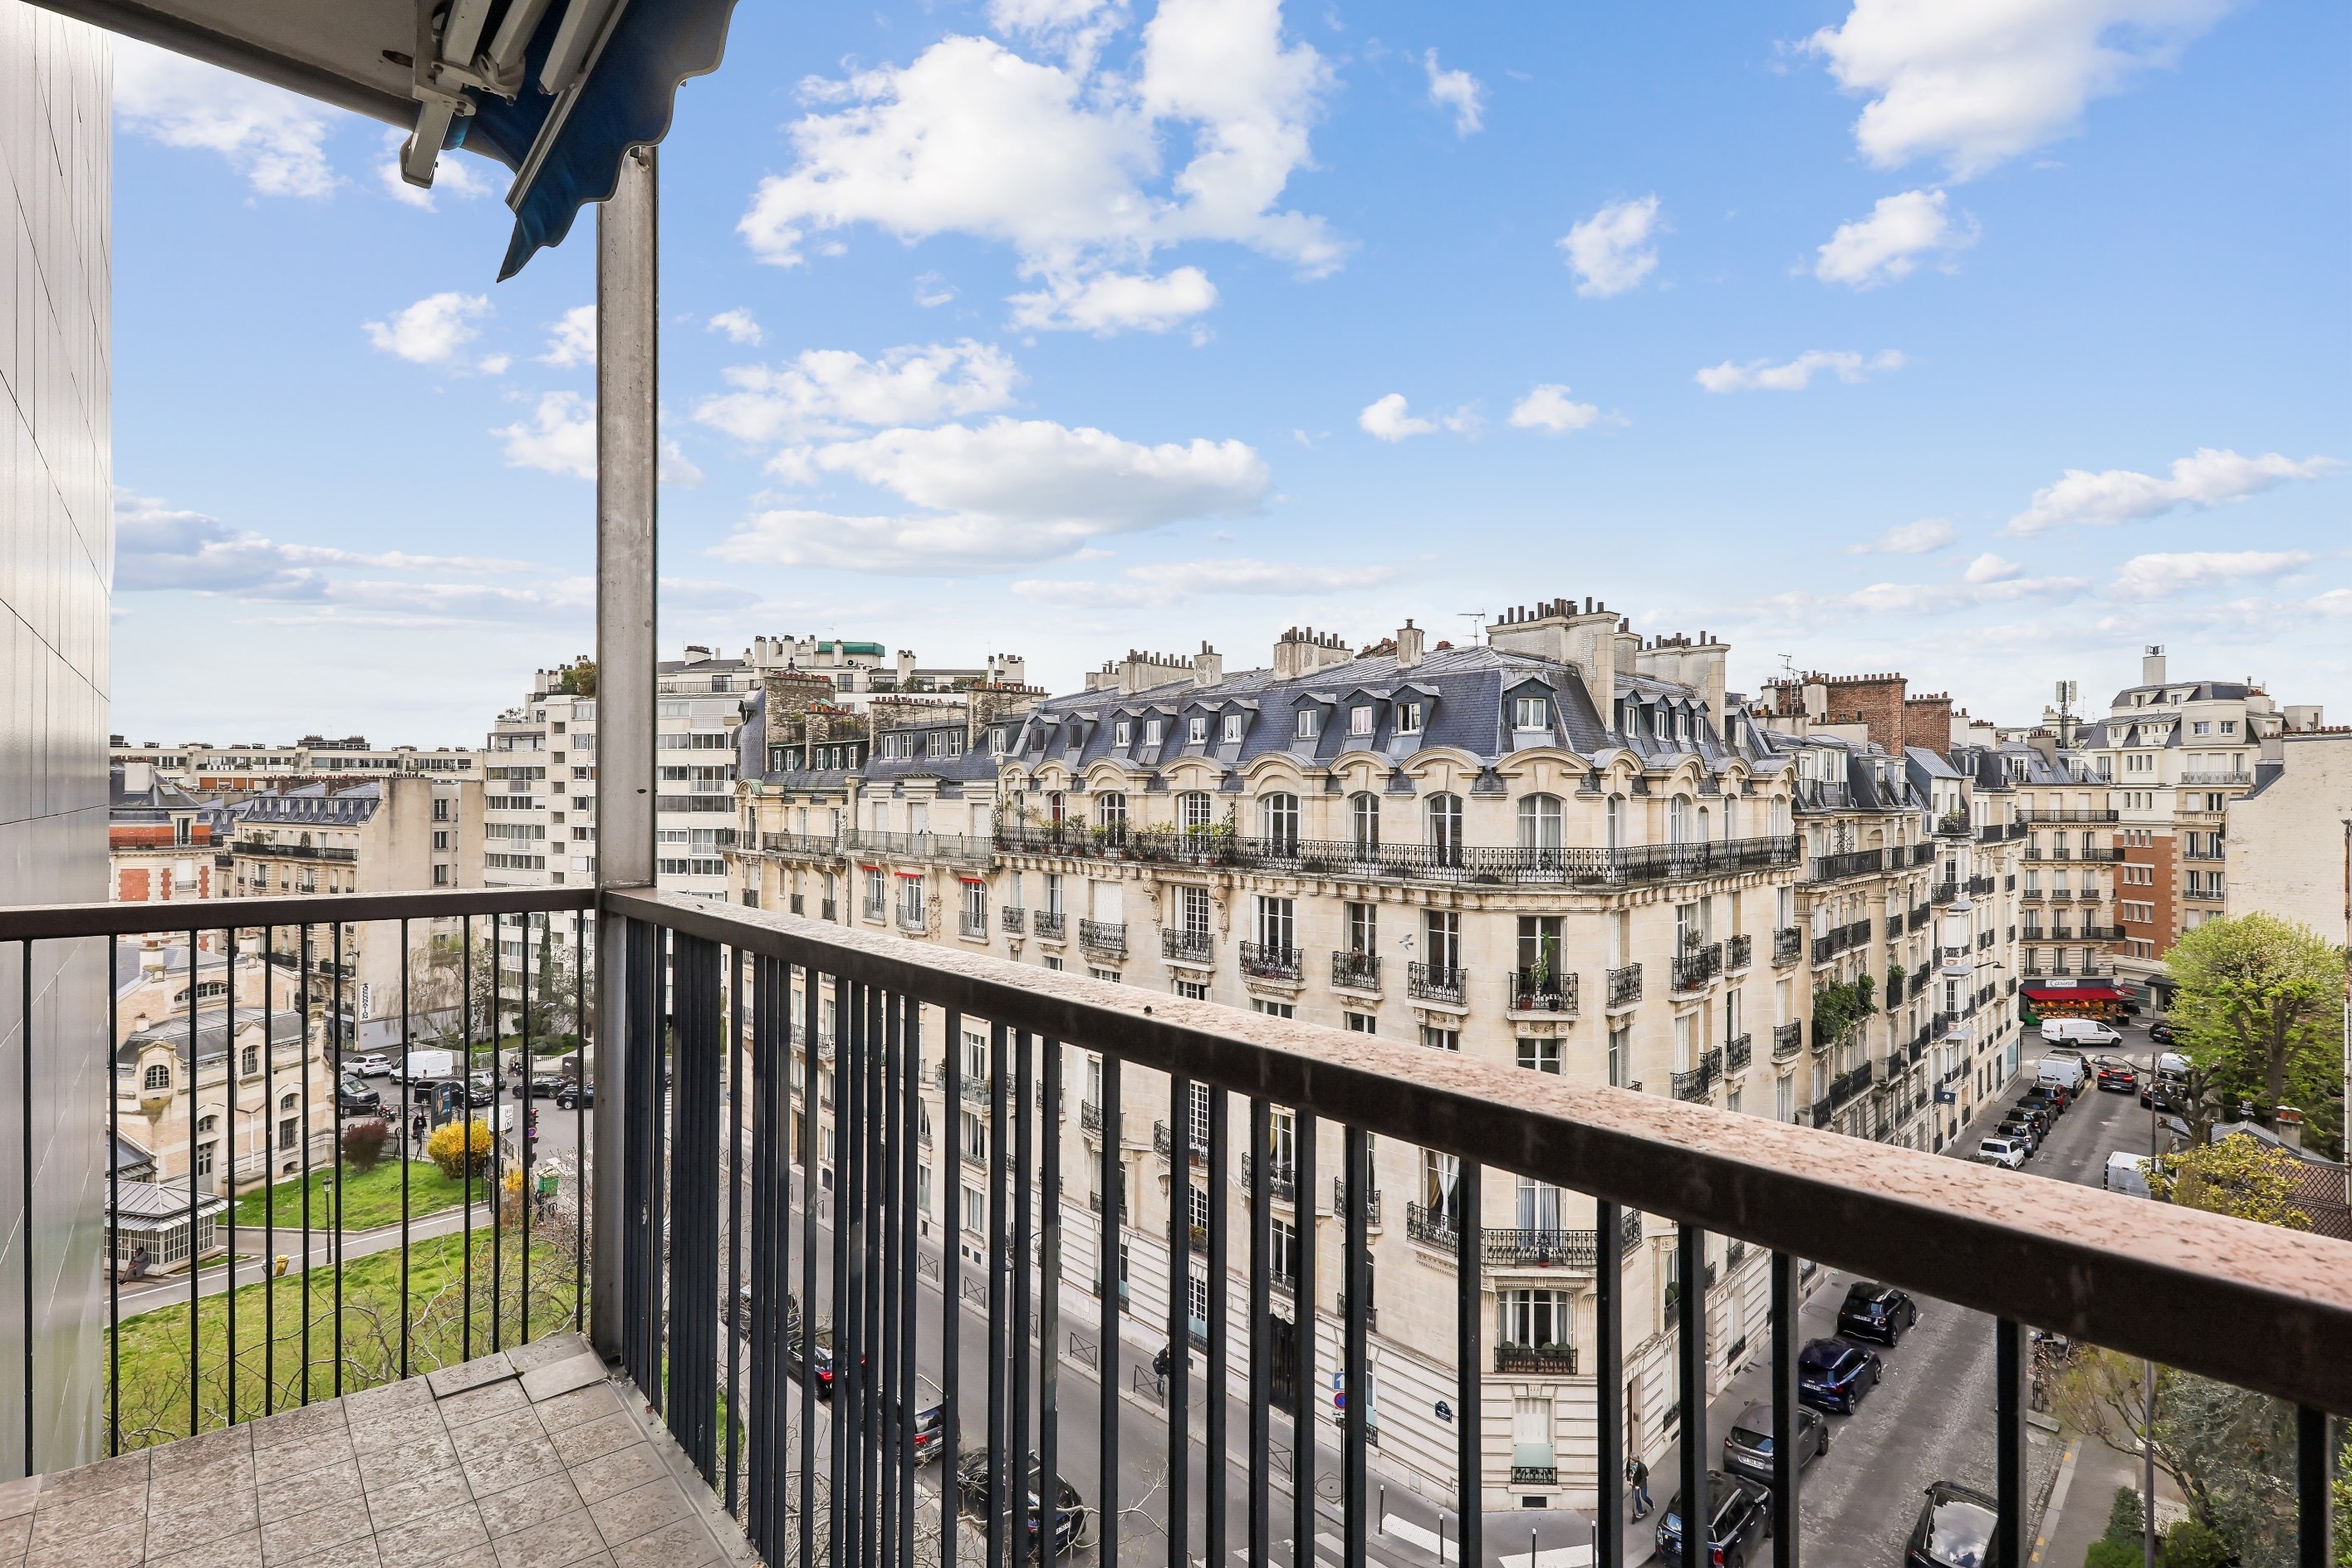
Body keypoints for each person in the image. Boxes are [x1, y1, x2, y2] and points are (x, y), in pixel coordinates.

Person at [1626, 1456, 1651, 1520]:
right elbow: (1627, 1471)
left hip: (1642, 1483)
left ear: (1635, 1460)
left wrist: (1639, 1486)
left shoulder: (1642, 1467)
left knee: (1644, 1497)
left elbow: (1644, 1478)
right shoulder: (1629, 1463)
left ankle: (1651, 1503)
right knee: (1637, 1497)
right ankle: (1640, 1511)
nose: (1630, 1459)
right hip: (1635, 1482)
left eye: (1631, 1458)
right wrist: (1628, 1480)